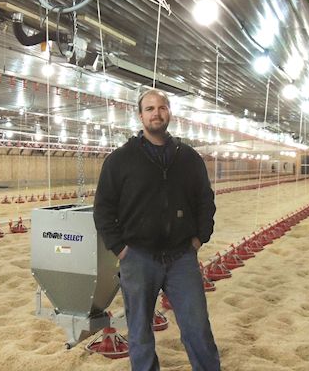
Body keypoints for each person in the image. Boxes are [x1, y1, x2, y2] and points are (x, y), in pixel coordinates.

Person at [93, 89, 220, 371]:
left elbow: (204, 200)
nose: (156, 113)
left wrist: (200, 237)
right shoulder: (120, 160)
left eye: (161, 107)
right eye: (149, 109)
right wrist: (120, 248)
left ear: (169, 113)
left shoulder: (187, 157)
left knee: (197, 327)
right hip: (137, 258)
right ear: (140, 116)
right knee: (139, 333)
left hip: (181, 257)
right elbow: (103, 208)